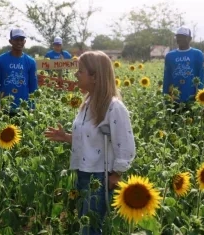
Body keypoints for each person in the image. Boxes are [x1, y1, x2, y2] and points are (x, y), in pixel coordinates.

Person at [44, 51, 135, 235]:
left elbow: (125, 145)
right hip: (83, 173)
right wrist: (67, 137)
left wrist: (116, 174)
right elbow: (90, 140)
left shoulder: (113, 107)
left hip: (100, 177)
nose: (76, 75)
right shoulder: (88, 102)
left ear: (95, 76)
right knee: (85, 225)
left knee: (90, 229)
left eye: (81, 71)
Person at [0, 28, 38, 118]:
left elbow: (33, 87)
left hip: (24, 108)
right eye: (16, 39)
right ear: (10, 41)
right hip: (4, 107)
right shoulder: (0, 60)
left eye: (21, 39)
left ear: (24, 41)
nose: (19, 42)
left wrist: (32, 106)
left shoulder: (31, 62)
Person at [163, 26, 204, 114]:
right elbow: (166, 78)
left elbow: (201, 77)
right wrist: (165, 96)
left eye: (183, 36)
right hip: (173, 99)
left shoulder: (197, 54)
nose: (179, 39)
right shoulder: (170, 56)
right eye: (178, 36)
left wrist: (199, 96)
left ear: (189, 38)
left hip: (191, 98)